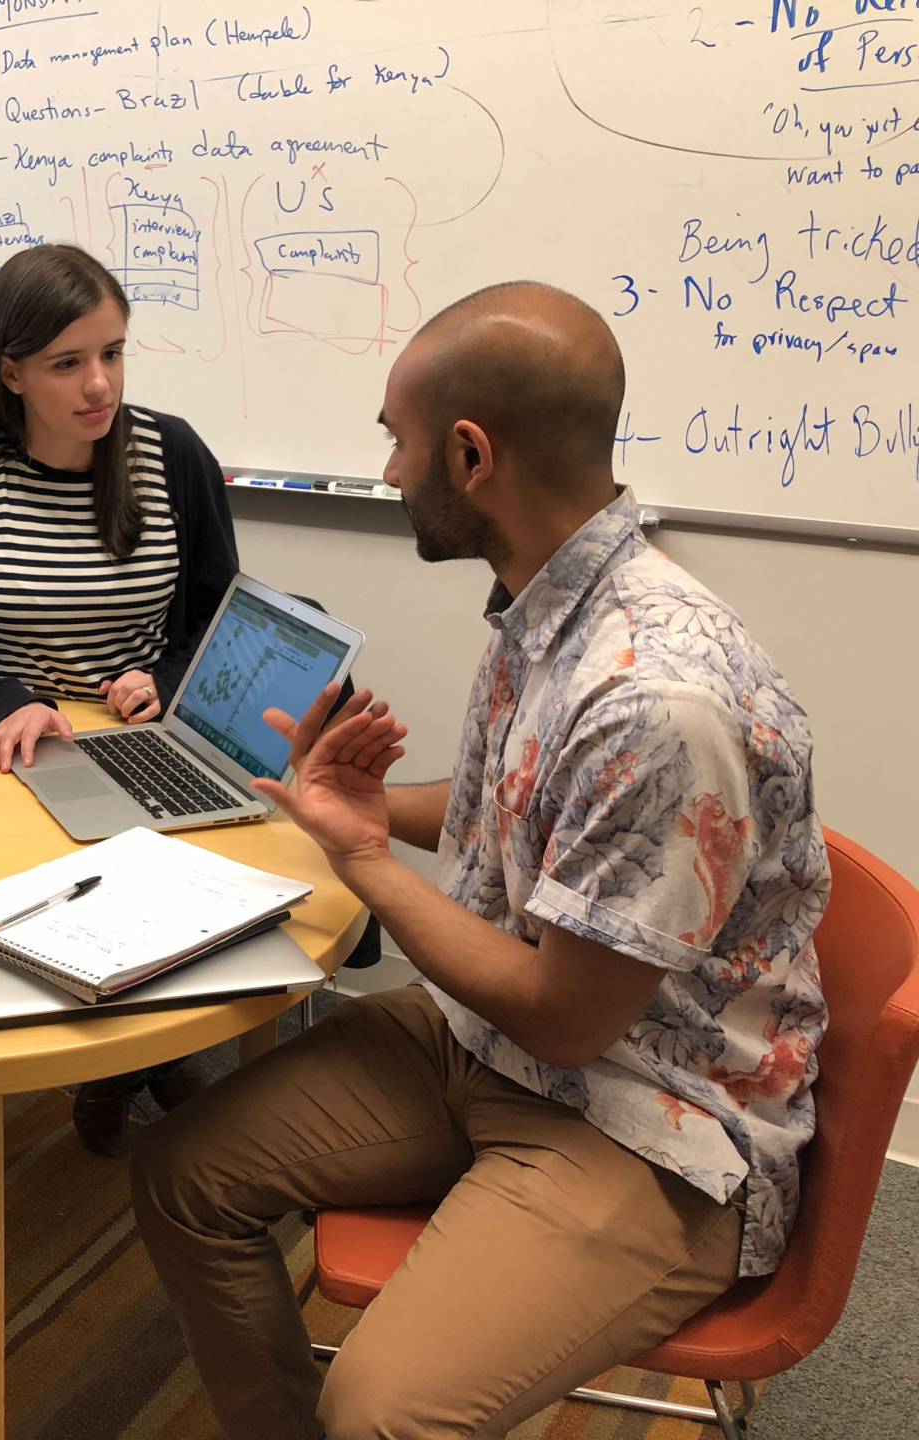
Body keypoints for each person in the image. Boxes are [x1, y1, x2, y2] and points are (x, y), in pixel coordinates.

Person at [130, 282, 828, 1440]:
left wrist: (364, 859)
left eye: (396, 441)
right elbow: (516, 818)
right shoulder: (547, 608)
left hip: (651, 1114)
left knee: (381, 1413)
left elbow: (567, 1018)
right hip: (486, 1043)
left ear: (470, 454)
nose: (388, 470)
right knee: (180, 1175)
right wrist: (365, 806)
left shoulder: (656, 698)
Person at [0, 242, 238, 1156]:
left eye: (113, 353)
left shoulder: (172, 453)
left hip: (145, 736)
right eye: (67, 363)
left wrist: (166, 678)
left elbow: (220, 616)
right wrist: (6, 696)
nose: (100, 384)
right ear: (11, 373)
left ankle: (124, 1062)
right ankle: (119, 1062)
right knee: (41, 897)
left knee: (156, 885)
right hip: (13, 745)